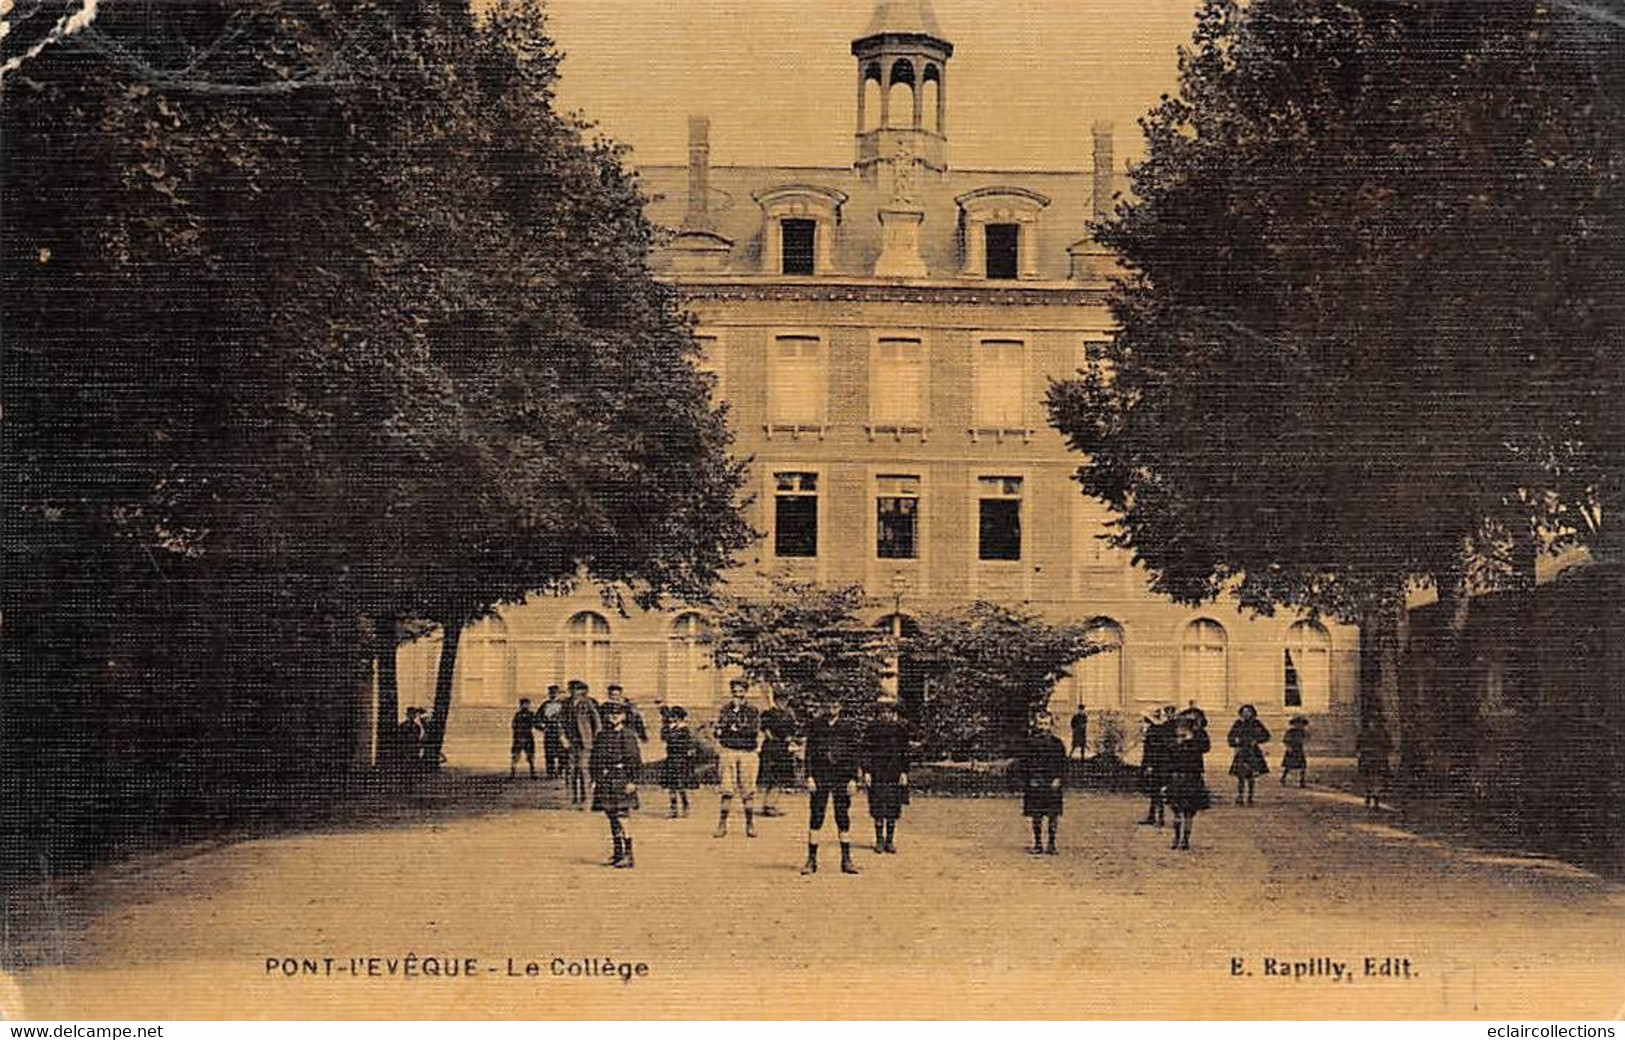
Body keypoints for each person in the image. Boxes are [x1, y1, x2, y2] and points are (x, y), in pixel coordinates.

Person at [800, 700, 862, 875]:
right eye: (828, 705)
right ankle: (811, 860)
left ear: (840, 707)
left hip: (841, 776)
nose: (831, 708)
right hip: (820, 776)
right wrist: (809, 776)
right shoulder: (816, 725)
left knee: (842, 815)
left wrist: (853, 779)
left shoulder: (848, 727)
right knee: (816, 815)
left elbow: (854, 754)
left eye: (835, 705)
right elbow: (809, 753)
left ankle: (846, 860)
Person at [590, 702, 643, 869]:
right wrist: (595, 778)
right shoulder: (602, 735)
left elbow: (635, 760)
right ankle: (617, 852)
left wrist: (633, 781)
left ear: (624, 716)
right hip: (605, 779)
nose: (613, 716)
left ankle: (629, 855)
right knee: (611, 816)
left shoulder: (627, 735)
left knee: (622, 816)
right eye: (610, 714)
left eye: (617, 714)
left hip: (621, 778)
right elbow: (594, 758)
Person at [713, 679, 762, 838]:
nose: (737, 695)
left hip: (747, 753)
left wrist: (733, 729)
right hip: (729, 751)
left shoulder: (752, 711)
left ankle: (750, 824)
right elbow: (719, 730)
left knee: (748, 791)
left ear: (745, 693)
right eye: (735, 692)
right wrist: (728, 728)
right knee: (726, 790)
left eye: (741, 692)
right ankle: (722, 824)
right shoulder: (725, 710)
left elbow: (752, 731)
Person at [1016, 710, 1068, 855]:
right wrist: (1029, 780)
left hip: (1052, 783)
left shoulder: (1058, 744)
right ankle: (1038, 843)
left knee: (1053, 814)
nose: (1043, 727)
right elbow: (1024, 764)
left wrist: (1058, 779)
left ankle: (1051, 843)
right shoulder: (1029, 744)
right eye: (1040, 724)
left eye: (1046, 724)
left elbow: (1063, 764)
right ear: (1036, 725)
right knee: (1036, 814)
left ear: (1051, 725)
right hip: (1035, 782)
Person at [864, 699, 910, 854]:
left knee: (893, 806)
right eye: (883, 712)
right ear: (879, 714)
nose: (886, 715)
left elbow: (905, 752)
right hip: (877, 772)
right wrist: (867, 771)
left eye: (889, 712)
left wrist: (904, 772)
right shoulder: (872, 729)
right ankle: (879, 840)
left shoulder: (900, 729)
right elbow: (866, 751)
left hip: (894, 772)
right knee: (878, 805)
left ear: (894, 714)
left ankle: (890, 840)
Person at [1165, 709, 1212, 851]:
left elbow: (1205, 748)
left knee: (1189, 811)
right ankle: (1176, 836)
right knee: (1176, 810)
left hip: (1192, 776)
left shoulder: (1200, 735)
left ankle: (1185, 838)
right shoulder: (1175, 735)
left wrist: (1192, 739)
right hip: (1177, 776)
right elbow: (1168, 754)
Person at [758, 690, 799, 818]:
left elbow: (792, 732)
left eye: (785, 700)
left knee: (780, 779)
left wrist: (790, 740)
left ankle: (771, 805)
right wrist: (780, 740)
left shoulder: (788, 715)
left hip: (784, 750)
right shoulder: (768, 714)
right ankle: (768, 806)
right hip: (772, 749)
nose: (783, 702)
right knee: (772, 779)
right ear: (775, 700)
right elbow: (767, 733)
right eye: (780, 700)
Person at [562, 680, 602, 809]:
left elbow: (597, 723)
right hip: (570, 742)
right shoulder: (565, 704)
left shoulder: (588, 703)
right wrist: (562, 737)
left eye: (577, 689)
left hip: (585, 742)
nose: (574, 692)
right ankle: (572, 799)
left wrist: (595, 739)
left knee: (584, 770)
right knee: (571, 771)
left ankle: (587, 800)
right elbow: (560, 723)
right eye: (571, 689)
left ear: (583, 691)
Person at [1227, 704, 1271, 806]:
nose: (1246, 714)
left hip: (1253, 751)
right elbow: (1230, 736)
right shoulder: (1238, 723)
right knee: (1240, 776)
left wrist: (1257, 740)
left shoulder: (1256, 723)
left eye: (1248, 712)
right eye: (1244, 712)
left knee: (1251, 776)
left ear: (1252, 713)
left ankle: (1250, 797)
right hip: (1241, 751)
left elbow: (1266, 735)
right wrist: (1235, 741)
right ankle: (1240, 796)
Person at [659, 705, 698, 817]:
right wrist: (665, 726)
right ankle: (673, 808)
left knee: (680, 785)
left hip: (680, 759)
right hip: (671, 758)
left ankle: (685, 805)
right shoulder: (668, 728)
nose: (671, 718)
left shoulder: (683, 729)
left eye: (674, 716)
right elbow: (663, 738)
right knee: (671, 786)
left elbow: (682, 743)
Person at [1138, 707, 1175, 826]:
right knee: (1155, 792)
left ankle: (1159, 818)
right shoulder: (1160, 730)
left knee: (1157, 791)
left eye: (1146, 719)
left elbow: (1152, 751)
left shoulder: (1154, 731)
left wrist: (1149, 765)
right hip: (1162, 764)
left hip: (1157, 765)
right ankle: (1153, 816)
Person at [1356, 713, 1393, 811]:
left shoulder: (1382, 733)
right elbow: (1358, 746)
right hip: (1370, 759)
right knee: (1370, 779)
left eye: (1376, 722)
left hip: (1377, 760)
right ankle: (1369, 798)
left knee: (1376, 780)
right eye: (1372, 722)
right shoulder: (1365, 734)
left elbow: (1389, 746)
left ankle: (1375, 800)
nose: (1373, 724)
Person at [539, 685, 567, 779]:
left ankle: (560, 771)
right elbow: (537, 719)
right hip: (549, 732)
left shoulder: (564, 705)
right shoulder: (545, 705)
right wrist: (542, 726)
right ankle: (550, 773)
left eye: (555, 693)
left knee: (562, 752)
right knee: (549, 753)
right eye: (551, 693)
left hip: (560, 731)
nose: (553, 695)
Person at [509, 697, 540, 779]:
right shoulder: (517, 715)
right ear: (520, 705)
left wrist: (543, 728)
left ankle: (532, 773)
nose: (525, 706)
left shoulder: (531, 714)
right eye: (523, 704)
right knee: (515, 756)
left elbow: (536, 724)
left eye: (527, 704)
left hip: (528, 737)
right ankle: (512, 773)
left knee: (531, 756)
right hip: (518, 737)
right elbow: (514, 725)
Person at [1280, 716, 1309, 788]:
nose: (1299, 725)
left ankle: (1302, 781)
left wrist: (1303, 740)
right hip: (1291, 750)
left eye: (1301, 724)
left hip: (1299, 750)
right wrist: (1288, 747)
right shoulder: (1290, 732)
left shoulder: (1302, 732)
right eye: (1297, 724)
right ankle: (1283, 778)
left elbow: (1306, 739)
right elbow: (1285, 740)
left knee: (1302, 766)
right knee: (1288, 766)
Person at [396, 706, 427, 771]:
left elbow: (417, 737)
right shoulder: (403, 725)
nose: (413, 715)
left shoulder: (417, 726)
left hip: (414, 749)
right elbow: (400, 737)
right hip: (405, 748)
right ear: (408, 715)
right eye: (411, 713)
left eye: (414, 714)